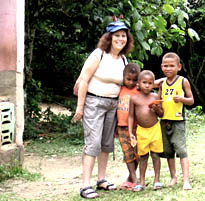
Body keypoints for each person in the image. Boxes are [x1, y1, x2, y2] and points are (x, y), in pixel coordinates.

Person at [73, 20, 134, 199]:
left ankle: (101, 179)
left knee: (106, 144)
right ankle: (85, 185)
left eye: (123, 36)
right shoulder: (98, 54)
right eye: (117, 36)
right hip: (94, 102)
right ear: (109, 37)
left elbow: (129, 83)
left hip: (112, 105)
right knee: (93, 143)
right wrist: (80, 107)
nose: (120, 39)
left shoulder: (123, 59)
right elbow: (83, 80)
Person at [158, 52, 194, 190]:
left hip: (178, 121)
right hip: (164, 121)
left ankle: (186, 180)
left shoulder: (182, 81)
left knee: (181, 150)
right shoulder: (162, 84)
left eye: (172, 66)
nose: (168, 68)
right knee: (168, 151)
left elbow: (191, 100)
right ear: (161, 67)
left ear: (179, 67)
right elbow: (160, 102)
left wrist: (182, 99)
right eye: (165, 66)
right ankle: (173, 177)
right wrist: (156, 108)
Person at [128, 70, 164, 192]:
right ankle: (141, 182)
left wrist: (156, 109)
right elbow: (131, 116)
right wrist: (130, 132)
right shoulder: (134, 99)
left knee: (155, 155)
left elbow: (161, 114)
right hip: (141, 131)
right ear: (138, 83)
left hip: (155, 129)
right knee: (143, 156)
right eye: (144, 82)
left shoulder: (155, 97)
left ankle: (157, 180)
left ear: (153, 84)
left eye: (150, 83)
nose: (147, 85)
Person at [116, 63, 140, 190]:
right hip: (121, 127)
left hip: (136, 127)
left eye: (134, 80)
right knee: (127, 154)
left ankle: (131, 178)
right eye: (128, 79)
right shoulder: (119, 89)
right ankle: (134, 179)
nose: (131, 82)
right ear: (123, 77)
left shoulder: (139, 90)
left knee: (137, 154)